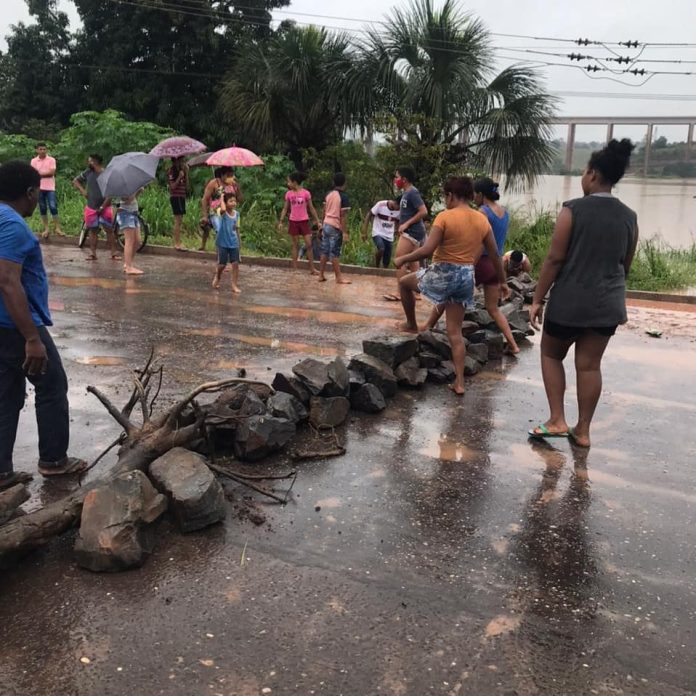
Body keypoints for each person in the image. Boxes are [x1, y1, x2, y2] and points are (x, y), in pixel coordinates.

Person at [528, 139, 639, 447]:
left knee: (551, 353)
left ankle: (556, 420)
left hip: (570, 302)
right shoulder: (630, 217)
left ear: (592, 174)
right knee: (589, 365)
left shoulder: (572, 210)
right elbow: (624, 265)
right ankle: (584, 431)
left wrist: (537, 298)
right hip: (607, 304)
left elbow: (554, 259)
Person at [0, 161, 87, 491]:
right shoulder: (13, 225)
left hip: (3, 326)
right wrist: (32, 338)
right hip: (16, 327)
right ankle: (53, 461)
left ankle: (2, 473)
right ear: (30, 192)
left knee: (6, 396)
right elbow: (7, 282)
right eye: (37, 192)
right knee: (51, 386)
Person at [395, 176, 506, 396]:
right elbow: (494, 254)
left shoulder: (445, 217)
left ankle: (411, 324)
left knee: (404, 282)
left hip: (443, 273)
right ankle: (460, 382)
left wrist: (403, 259)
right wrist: (502, 281)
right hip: (466, 277)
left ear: (450, 195)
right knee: (454, 331)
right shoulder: (481, 219)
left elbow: (427, 250)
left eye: (445, 196)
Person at [419, 178, 520, 354]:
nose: (473, 198)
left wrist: (468, 265)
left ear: (480, 194)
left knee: (449, 293)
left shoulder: (482, 212)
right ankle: (513, 344)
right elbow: (496, 247)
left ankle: (428, 325)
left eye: (475, 195)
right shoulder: (504, 212)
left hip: (480, 262)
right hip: (495, 265)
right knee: (493, 309)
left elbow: (480, 243)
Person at [384, 167, 428, 301]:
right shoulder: (406, 193)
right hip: (414, 232)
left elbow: (423, 211)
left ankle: (400, 292)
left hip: (412, 232)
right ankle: (416, 292)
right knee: (414, 263)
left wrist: (406, 224)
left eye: (397, 177)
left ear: (404, 179)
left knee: (399, 260)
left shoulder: (412, 193)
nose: (395, 180)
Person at [72, 154, 120, 261]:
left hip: (105, 206)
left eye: (90, 161)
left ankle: (113, 253)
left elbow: (110, 193)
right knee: (92, 230)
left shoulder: (106, 174)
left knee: (109, 230)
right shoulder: (88, 172)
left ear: (95, 162)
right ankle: (93, 253)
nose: (88, 163)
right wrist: (83, 190)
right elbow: (75, 180)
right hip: (91, 206)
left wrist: (103, 206)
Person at [278, 171, 321, 274]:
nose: (288, 184)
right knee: (295, 245)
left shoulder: (306, 193)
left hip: (304, 221)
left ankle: (312, 268)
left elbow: (311, 208)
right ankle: (295, 268)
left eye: (289, 182)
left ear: (295, 182)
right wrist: (281, 221)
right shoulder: (289, 194)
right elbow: (285, 208)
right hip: (293, 221)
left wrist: (317, 220)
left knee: (309, 244)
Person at [199, 166, 243, 251]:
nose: (230, 177)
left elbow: (240, 199)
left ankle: (233, 249)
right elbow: (204, 199)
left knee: (234, 231)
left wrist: (238, 187)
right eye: (228, 175)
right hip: (216, 211)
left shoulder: (233, 185)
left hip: (229, 212)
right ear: (222, 175)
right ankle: (220, 249)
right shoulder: (214, 183)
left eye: (231, 175)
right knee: (219, 229)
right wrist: (204, 215)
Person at [318, 172, 351, 284]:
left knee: (324, 250)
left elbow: (323, 210)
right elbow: (343, 216)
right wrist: (345, 232)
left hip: (326, 223)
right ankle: (339, 278)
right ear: (344, 183)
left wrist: (321, 225)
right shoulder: (344, 197)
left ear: (333, 182)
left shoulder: (329, 194)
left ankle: (321, 274)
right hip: (335, 226)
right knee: (335, 252)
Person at [30, 143, 62, 239]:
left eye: (44, 149)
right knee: (42, 208)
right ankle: (46, 228)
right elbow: (32, 174)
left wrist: (39, 174)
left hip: (50, 187)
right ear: (37, 150)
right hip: (39, 187)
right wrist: (43, 174)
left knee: (53, 206)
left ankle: (57, 227)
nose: (43, 151)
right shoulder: (34, 161)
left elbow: (51, 173)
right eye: (41, 149)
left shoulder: (51, 160)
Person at [212, 192, 241, 293]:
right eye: (230, 201)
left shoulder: (237, 214)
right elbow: (223, 209)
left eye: (234, 201)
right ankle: (218, 276)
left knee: (235, 264)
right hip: (222, 242)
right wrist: (221, 197)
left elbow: (237, 229)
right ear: (225, 202)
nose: (233, 203)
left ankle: (234, 285)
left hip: (233, 242)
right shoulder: (221, 212)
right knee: (222, 265)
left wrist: (239, 242)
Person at [362, 198, 400, 268]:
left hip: (389, 235)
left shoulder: (399, 210)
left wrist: (396, 230)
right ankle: (376, 266)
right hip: (378, 232)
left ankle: (383, 272)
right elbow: (369, 214)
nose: (398, 209)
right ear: (395, 203)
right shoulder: (381, 204)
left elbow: (397, 220)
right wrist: (364, 231)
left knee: (387, 260)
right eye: (398, 207)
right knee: (381, 248)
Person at [117, 189, 144, 275]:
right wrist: (136, 190)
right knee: (130, 240)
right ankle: (129, 267)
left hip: (134, 213)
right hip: (125, 213)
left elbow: (134, 198)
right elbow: (127, 200)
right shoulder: (124, 186)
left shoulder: (132, 184)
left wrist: (138, 191)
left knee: (138, 240)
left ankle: (128, 263)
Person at [168, 156, 188, 250]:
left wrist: (186, 174)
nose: (183, 162)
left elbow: (187, 186)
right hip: (175, 197)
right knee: (177, 220)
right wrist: (179, 177)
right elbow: (172, 186)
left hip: (182, 196)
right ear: (176, 161)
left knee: (180, 220)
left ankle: (178, 241)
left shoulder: (182, 171)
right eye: (181, 160)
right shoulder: (172, 171)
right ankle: (176, 243)